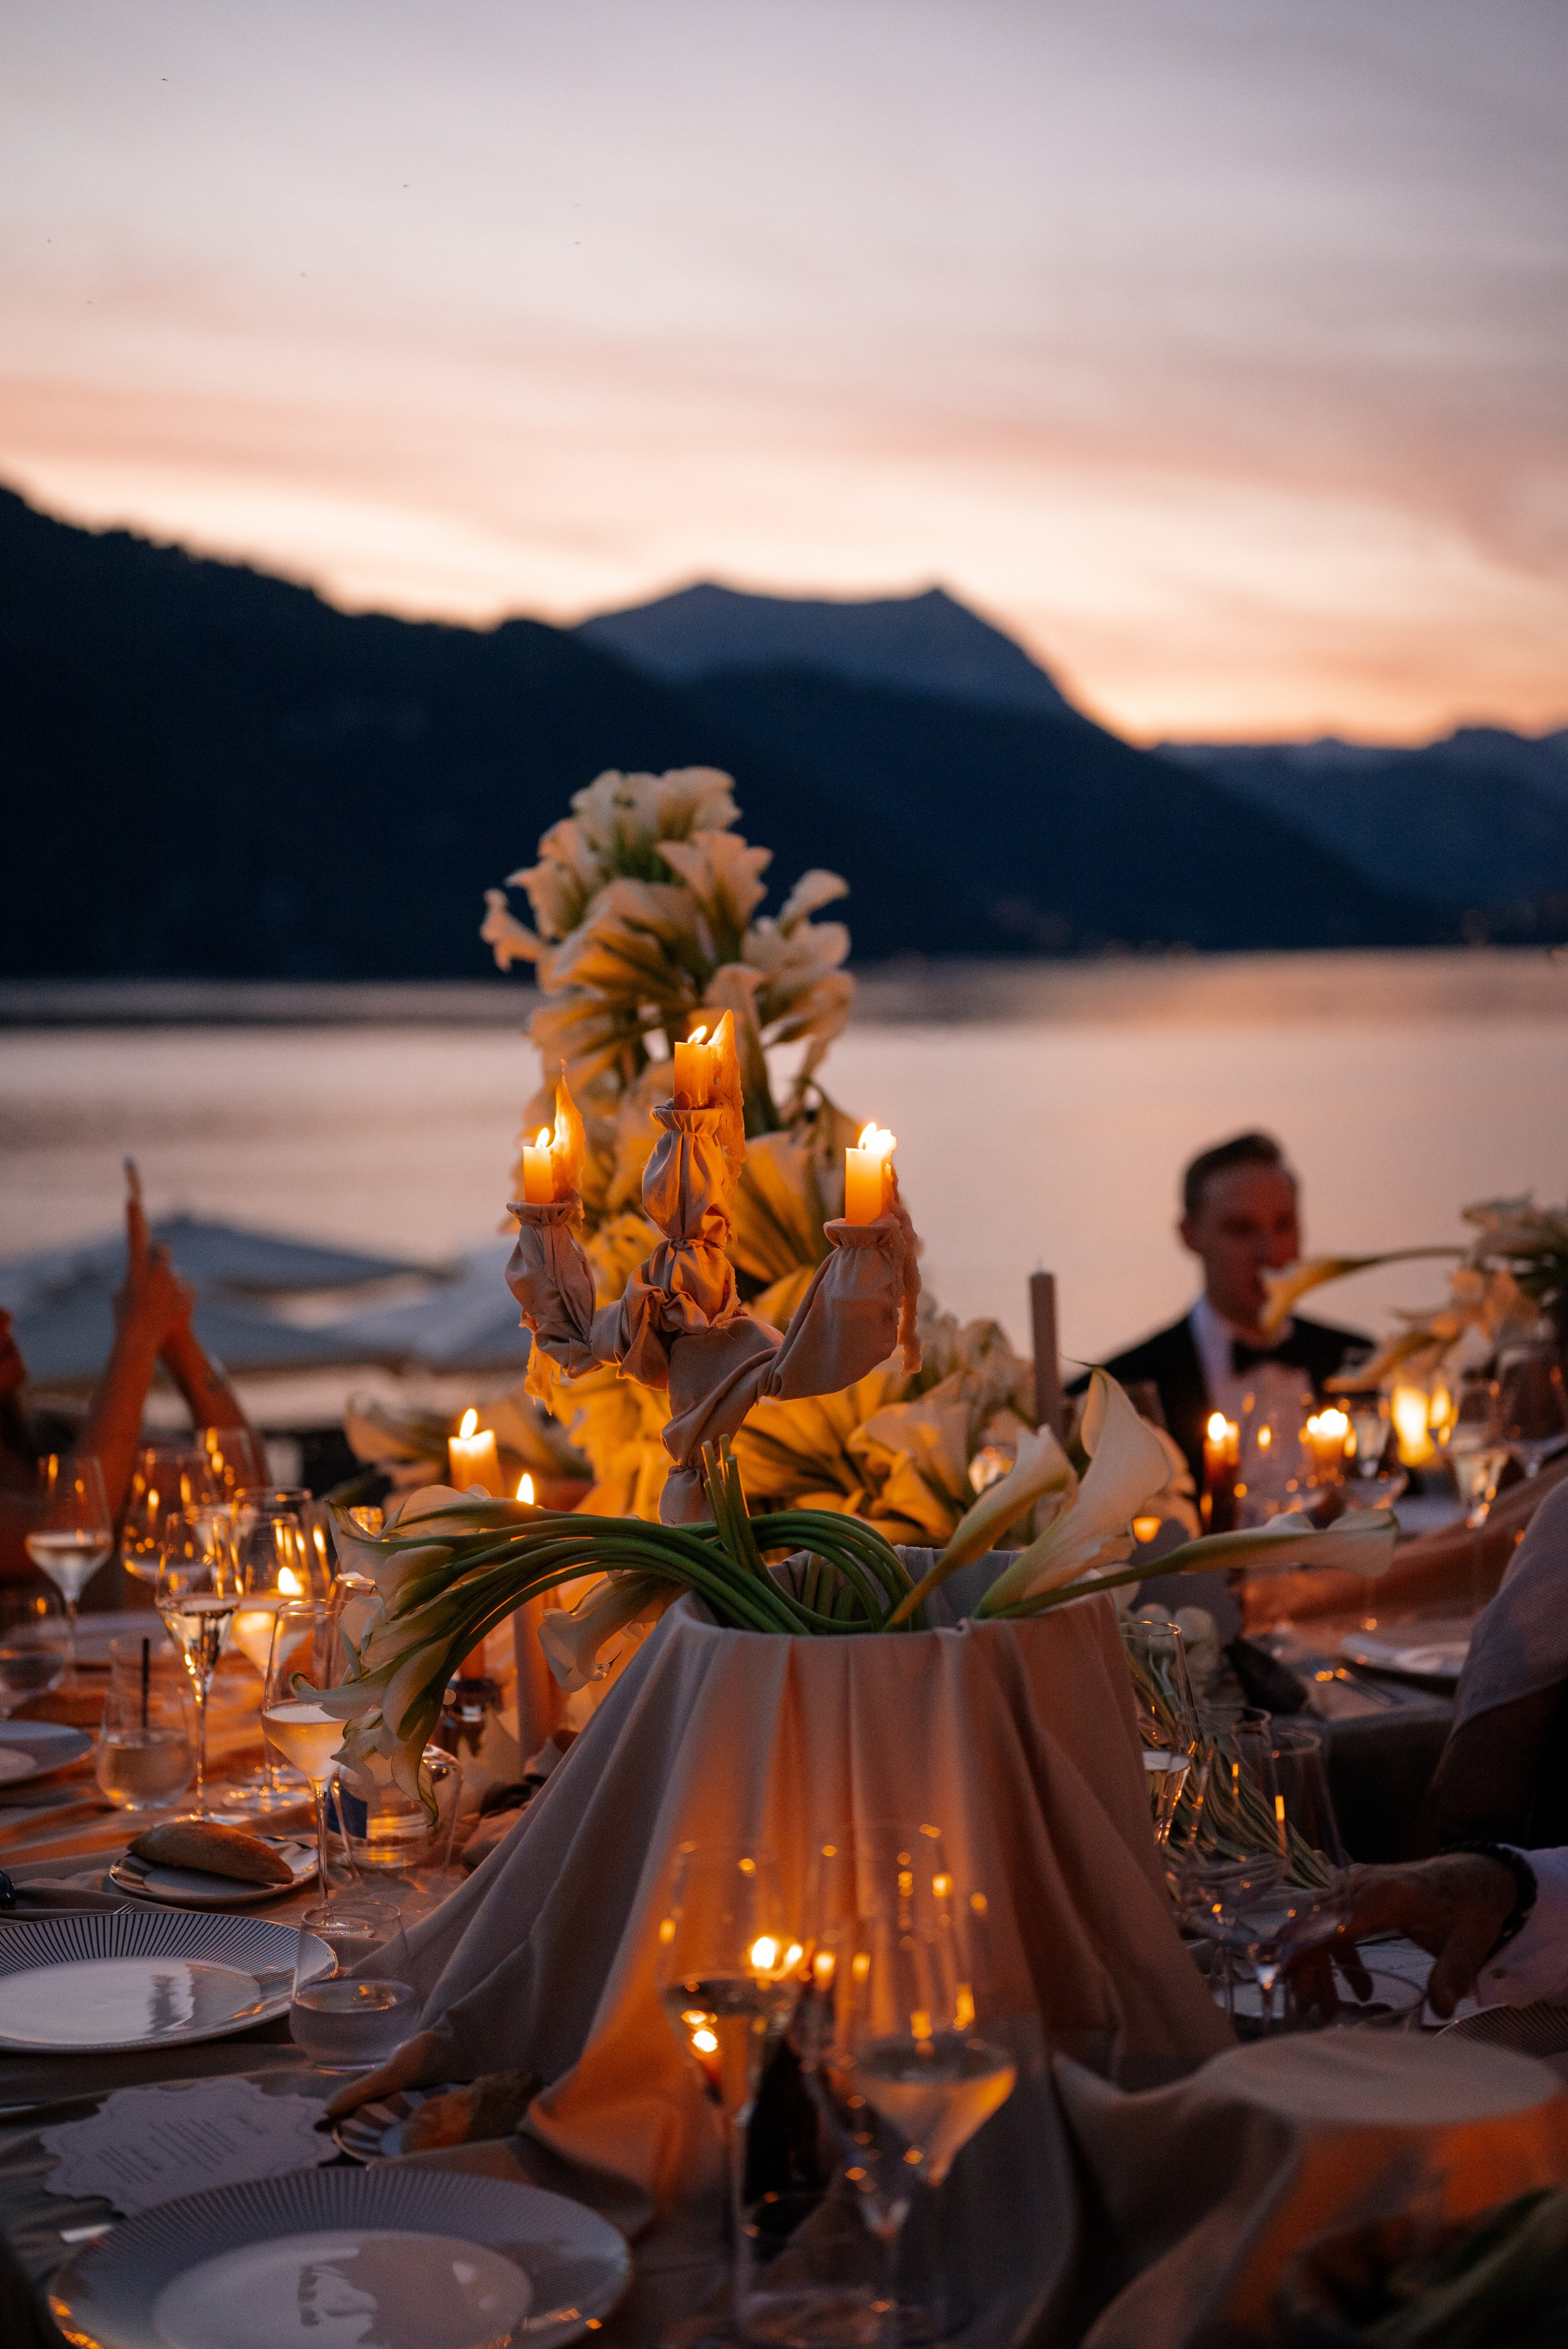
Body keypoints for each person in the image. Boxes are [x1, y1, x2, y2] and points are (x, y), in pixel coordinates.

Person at [1077, 1131, 1368, 1486]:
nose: (1270, 1254)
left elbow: (1401, 1503)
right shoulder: (1121, 1390)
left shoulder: (1360, 1363)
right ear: (1190, 1235)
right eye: (1241, 1230)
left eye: (1283, 1226)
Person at [0, 1190, 260, 1583]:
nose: (5, 1318)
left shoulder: (53, 1432)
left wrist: (177, 1339)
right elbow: (66, 1531)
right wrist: (138, 1333)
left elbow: (238, 1487)